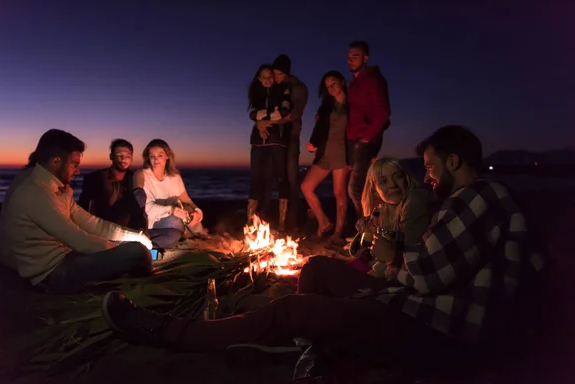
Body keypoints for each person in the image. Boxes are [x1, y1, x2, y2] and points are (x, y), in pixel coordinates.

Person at [100, 126, 543, 365]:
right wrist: (386, 260)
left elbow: (424, 276)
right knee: (314, 270)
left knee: (289, 309)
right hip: (409, 302)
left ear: (453, 161)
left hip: (431, 328)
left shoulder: (480, 197)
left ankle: (169, 331)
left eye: (429, 167)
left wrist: (390, 260)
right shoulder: (468, 203)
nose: (425, 176)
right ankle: (299, 341)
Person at [0, 129, 153, 294]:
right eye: (75, 165)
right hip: (54, 273)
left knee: (135, 246)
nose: (78, 171)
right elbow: (79, 239)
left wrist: (135, 235)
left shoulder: (57, 190)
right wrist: (125, 249)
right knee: (138, 252)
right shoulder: (34, 193)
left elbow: (93, 223)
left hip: (70, 256)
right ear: (56, 162)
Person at [347, 157, 432, 279]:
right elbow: (360, 251)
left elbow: (405, 256)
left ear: (406, 179)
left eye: (398, 176)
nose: (393, 184)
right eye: (383, 181)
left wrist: (369, 275)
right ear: (375, 190)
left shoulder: (415, 199)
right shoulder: (382, 211)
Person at [259, 54, 308, 232]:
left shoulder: (298, 87)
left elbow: (293, 114)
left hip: (291, 137)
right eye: (274, 74)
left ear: (286, 73)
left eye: (279, 74)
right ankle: (264, 219)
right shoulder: (274, 88)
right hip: (274, 138)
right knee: (268, 175)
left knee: (291, 178)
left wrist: (268, 121)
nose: (276, 78)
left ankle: (292, 222)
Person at [301, 71, 350, 242]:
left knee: (339, 193)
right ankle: (323, 221)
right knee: (306, 187)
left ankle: (338, 233)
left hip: (342, 154)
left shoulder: (352, 105)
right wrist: (314, 144)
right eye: (327, 86)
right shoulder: (325, 108)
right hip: (324, 154)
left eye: (334, 83)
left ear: (342, 82)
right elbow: (319, 129)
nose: (331, 88)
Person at [133, 139, 208, 249]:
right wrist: (172, 210)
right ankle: (190, 236)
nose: (156, 159)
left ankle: (198, 238)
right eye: (152, 156)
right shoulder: (141, 175)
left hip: (172, 223)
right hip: (151, 221)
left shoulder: (175, 177)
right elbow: (144, 208)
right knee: (176, 221)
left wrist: (198, 212)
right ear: (148, 157)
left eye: (160, 155)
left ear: (167, 156)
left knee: (185, 217)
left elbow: (186, 200)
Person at [346, 41, 391, 220]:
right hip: (353, 139)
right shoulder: (353, 83)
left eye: (355, 56)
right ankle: (368, 231)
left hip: (364, 140)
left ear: (366, 58)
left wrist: (368, 136)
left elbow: (384, 111)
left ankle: (365, 233)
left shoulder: (373, 80)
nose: (350, 60)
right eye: (348, 57)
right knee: (363, 188)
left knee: (355, 189)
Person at [247, 64, 292, 230]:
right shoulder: (255, 95)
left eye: (270, 76)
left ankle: (282, 224)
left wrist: (263, 121)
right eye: (264, 77)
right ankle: (251, 223)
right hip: (258, 140)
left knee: (281, 177)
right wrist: (261, 120)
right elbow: (252, 113)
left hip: (277, 139)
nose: (267, 80)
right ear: (259, 78)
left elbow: (284, 111)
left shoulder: (283, 91)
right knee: (256, 178)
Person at [78, 139, 145, 230]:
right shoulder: (95, 179)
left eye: (127, 156)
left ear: (132, 159)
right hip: (100, 229)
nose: (123, 159)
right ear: (111, 156)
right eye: (119, 155)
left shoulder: (134, 179)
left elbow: (139, 211)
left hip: (127, 230)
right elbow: (83, 208)